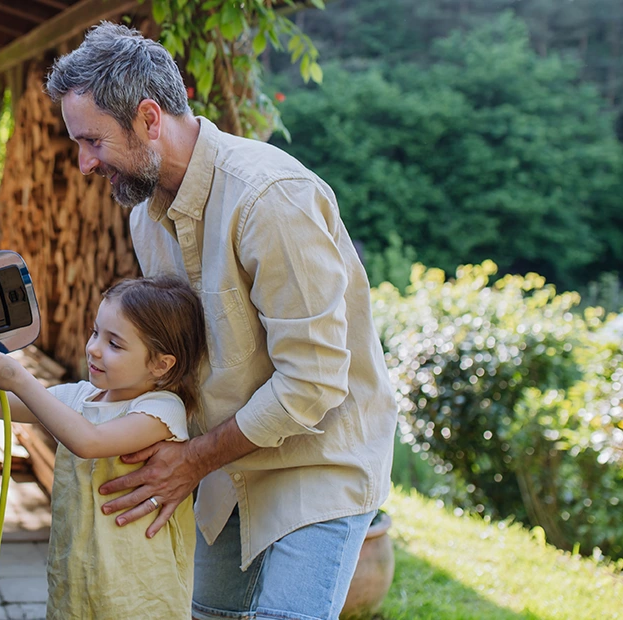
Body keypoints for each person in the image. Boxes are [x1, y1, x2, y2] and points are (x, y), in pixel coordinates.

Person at [44, 22, 399, 620]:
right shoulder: (145, 216)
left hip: (316, 460)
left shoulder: (271, 197)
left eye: (94, 142)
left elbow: (312, 382)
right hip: (225, 464)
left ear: (149, 118)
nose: (83, 164)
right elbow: (173, 354)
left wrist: (194, 458)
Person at [0, 275, 207, 619]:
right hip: (78, 580)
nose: (94, 348)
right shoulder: (80, 397)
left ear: (161, 364)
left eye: (115, 344)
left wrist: (23, 380)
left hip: (138, 589)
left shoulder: (161, 409)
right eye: (96, 332)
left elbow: (89, 441)